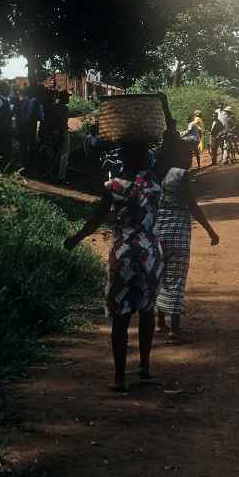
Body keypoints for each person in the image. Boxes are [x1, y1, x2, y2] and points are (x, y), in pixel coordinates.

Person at [64, 141, 164, 391]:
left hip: (123, 252)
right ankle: (144, 367)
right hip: (150, 252)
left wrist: (75, 239)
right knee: (147, 310)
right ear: (146, 159)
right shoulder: (154, 186)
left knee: (120, 315)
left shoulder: (113, 187)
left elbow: (96, 219)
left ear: (123, 159)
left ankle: (120, 377)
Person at [154, 134, 219, 343]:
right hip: (178, 231)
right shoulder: (181, 175)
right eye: (188, 154)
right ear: (179, 156)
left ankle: (159, 322)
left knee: (160, 274)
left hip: (158, 228)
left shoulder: (158, 173)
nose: (191, 158)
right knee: (176, 278)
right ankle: (174, 330)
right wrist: (210, 231)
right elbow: (193, 206)